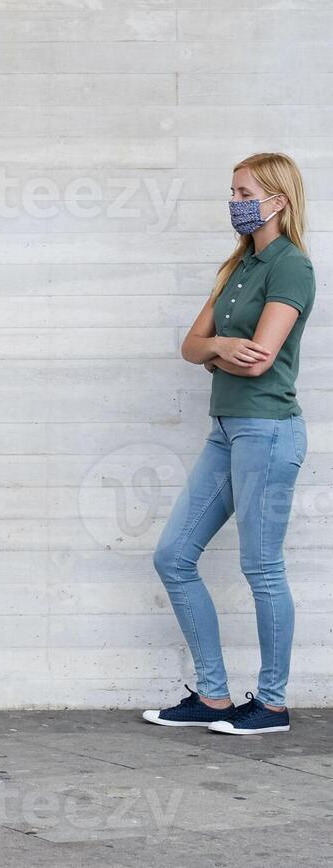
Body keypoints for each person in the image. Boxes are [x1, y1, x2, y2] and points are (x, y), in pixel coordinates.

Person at [144, 153, 313, 736]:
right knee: (172, 556)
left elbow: (259, 361)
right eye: (232, 191)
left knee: (261, 566)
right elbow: (193, 346)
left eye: (244, 191)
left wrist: (221, 349)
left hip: (267, 430)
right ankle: (213, 698)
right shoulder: (238, 267)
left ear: (277, 200)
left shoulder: (290, 268)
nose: (235, 201)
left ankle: (270, 704)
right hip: (226, 430)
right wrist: (218, 348)